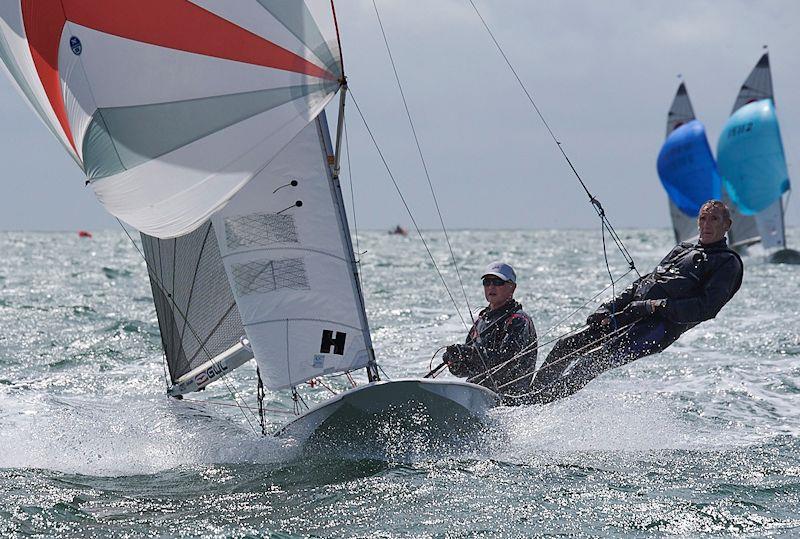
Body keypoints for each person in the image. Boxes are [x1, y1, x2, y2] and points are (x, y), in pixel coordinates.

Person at [526, 199, 744, 405]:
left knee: (588, 364)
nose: (706, 224)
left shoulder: (727, 263)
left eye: (714, 219)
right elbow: (645, 281)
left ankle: (534, 405)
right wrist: (610, 307)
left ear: (727, 225)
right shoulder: (682, 250)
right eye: (703, 218)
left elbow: (705, 309)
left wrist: (655, 306)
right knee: (566, 345)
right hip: (630, 313)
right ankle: (527, 396)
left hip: (655, 329)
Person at [443, 261, 537, 399]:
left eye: (498, 282)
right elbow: (466, 370)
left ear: (512, 287)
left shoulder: (518, 320)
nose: (491, 287)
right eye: (487, 282)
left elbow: (506, 362)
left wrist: (470, 353)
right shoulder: (480, 321)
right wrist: (455, 362)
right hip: (477, 395)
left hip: (509, 400)